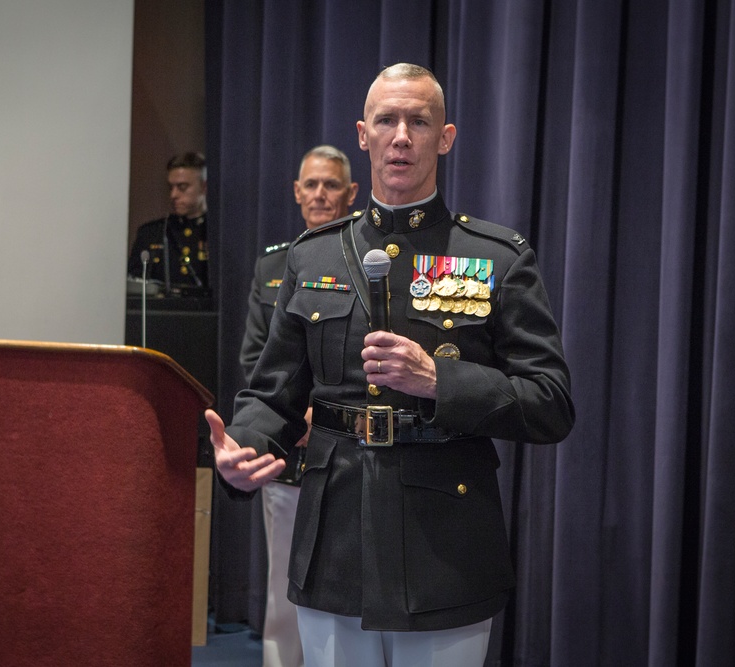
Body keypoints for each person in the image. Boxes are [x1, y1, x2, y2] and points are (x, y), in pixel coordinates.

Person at [207, 63, 574, 667]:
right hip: (335, 541)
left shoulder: (496, 259)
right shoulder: (311, 257)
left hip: (444, 550)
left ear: (446, 137)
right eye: (387, 120)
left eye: (419, 121)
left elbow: (551, 403)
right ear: (363, 134)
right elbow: (272, 394)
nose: (401, 135)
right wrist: (241, 452)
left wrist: (439, 380)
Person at [239, 145, 359, 667]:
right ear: (295, 192)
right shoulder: (273, 265)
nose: (319, 194)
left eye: (330, 184)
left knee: (348, 600)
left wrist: (324, 414)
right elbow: (257, 361)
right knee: (284, 598)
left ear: (351, 194)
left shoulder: (368, 262)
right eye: (310, 184)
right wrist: (297, 418)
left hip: (352, 458)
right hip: (289, 463)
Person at [127, 152, 209, 294]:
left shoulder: (215, 233)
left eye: (182, 187)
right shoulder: (152, 233)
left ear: (203, 187)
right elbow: (134, 284)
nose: (173, 195)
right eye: (171, 187)